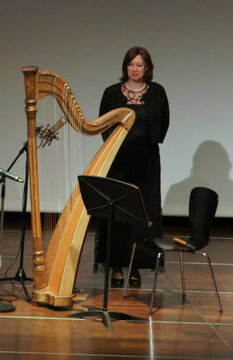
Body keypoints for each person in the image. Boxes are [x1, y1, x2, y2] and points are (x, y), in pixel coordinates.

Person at [95, 46, 169, 287]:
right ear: (125, 67)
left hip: (146, 164)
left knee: (142, 212)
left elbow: (162, 127)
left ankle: (136, 266)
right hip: (118, 162)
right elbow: (103, 125)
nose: (135, 69)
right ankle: (116, 266)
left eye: (139, 65)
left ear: (147, 67)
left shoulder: (157, 92)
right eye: (131, 64)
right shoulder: (112, 93)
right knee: (117, 212)